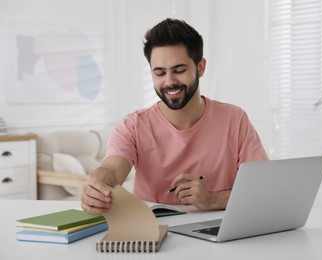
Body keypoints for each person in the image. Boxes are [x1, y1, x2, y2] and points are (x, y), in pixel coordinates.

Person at [81, 18, 269, 215]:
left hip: (219, 232)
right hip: (154, 231)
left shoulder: (235, 119)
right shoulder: (133, 125)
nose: (169, 82)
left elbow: (263, 188)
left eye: (179, 70)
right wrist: (97, 186)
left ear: (200, 67)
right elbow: (112, 169)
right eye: (159, 73)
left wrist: (211, 199)